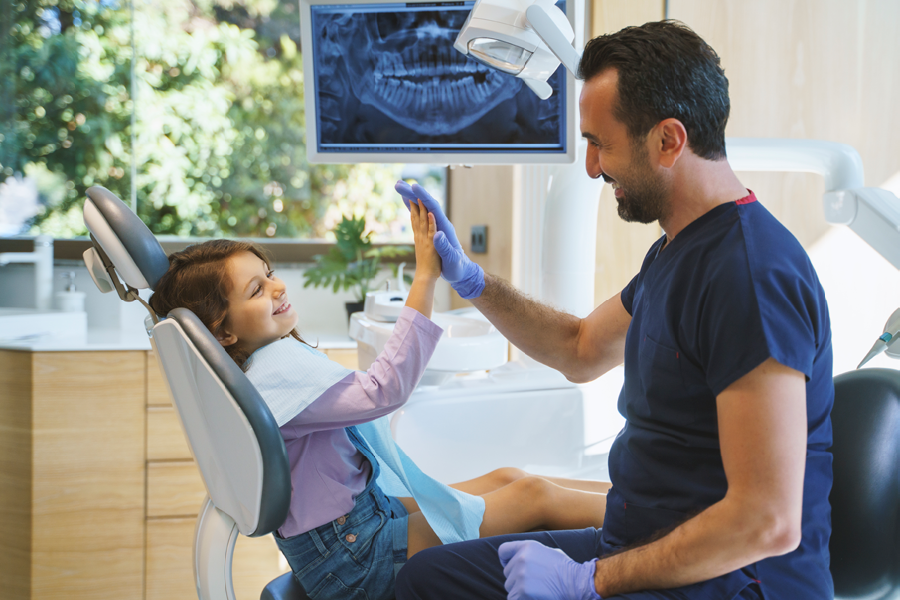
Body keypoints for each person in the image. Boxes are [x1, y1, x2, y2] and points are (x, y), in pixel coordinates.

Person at [393, 20, 833, 600]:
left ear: (668, 141)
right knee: (429, 580)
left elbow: (766, 522)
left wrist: (586, 580)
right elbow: (578, 348)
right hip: (642, 542)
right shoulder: (678, 249)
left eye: (602, 143)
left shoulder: (749, 276)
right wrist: (472, 281)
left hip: (728, 581)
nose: (593, 167)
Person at [147, 199, 613, 600]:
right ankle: (649, 518)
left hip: (355, 530)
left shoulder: (265, 365)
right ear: (223, 331)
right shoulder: (274, 377)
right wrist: (426, 275)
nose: (277, 286)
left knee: (511, 477)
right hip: (353, 557)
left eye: (268, 275)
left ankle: (634, 498)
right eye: (256, 290)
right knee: (532, 497)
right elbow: (384, 388)